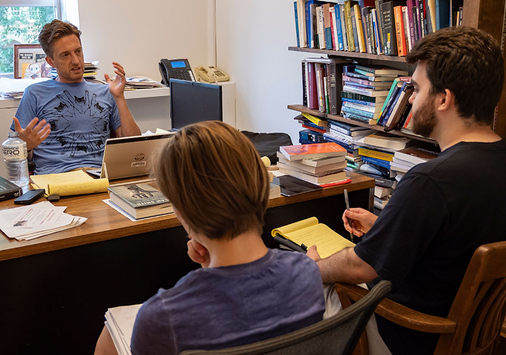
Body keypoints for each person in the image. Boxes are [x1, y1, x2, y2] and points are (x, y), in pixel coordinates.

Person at [307, 26, 506, 355]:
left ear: (444, 99)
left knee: (312, 285)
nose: (410, 99)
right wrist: (385, 229)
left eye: (415, 88)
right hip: (476, 337)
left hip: (412, 335)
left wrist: (312, 268)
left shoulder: (430, 181)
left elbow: (360, 267)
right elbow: (456, 243)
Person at [94, 121, 325, 355]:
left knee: (109, 334)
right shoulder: (308, 272)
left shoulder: (162, 318)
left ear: (182, 212)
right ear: (261, 185)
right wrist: (210, 268)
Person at [11, 20, 141, 175]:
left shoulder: (106, 91)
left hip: (99, 177)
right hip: (56, 179)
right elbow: (13, 148)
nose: (76, 61)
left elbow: (134, 145)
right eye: (65, 55)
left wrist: (119, 98)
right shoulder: (34, 93)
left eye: (78, 51)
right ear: (50, 61)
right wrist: (27, 145)